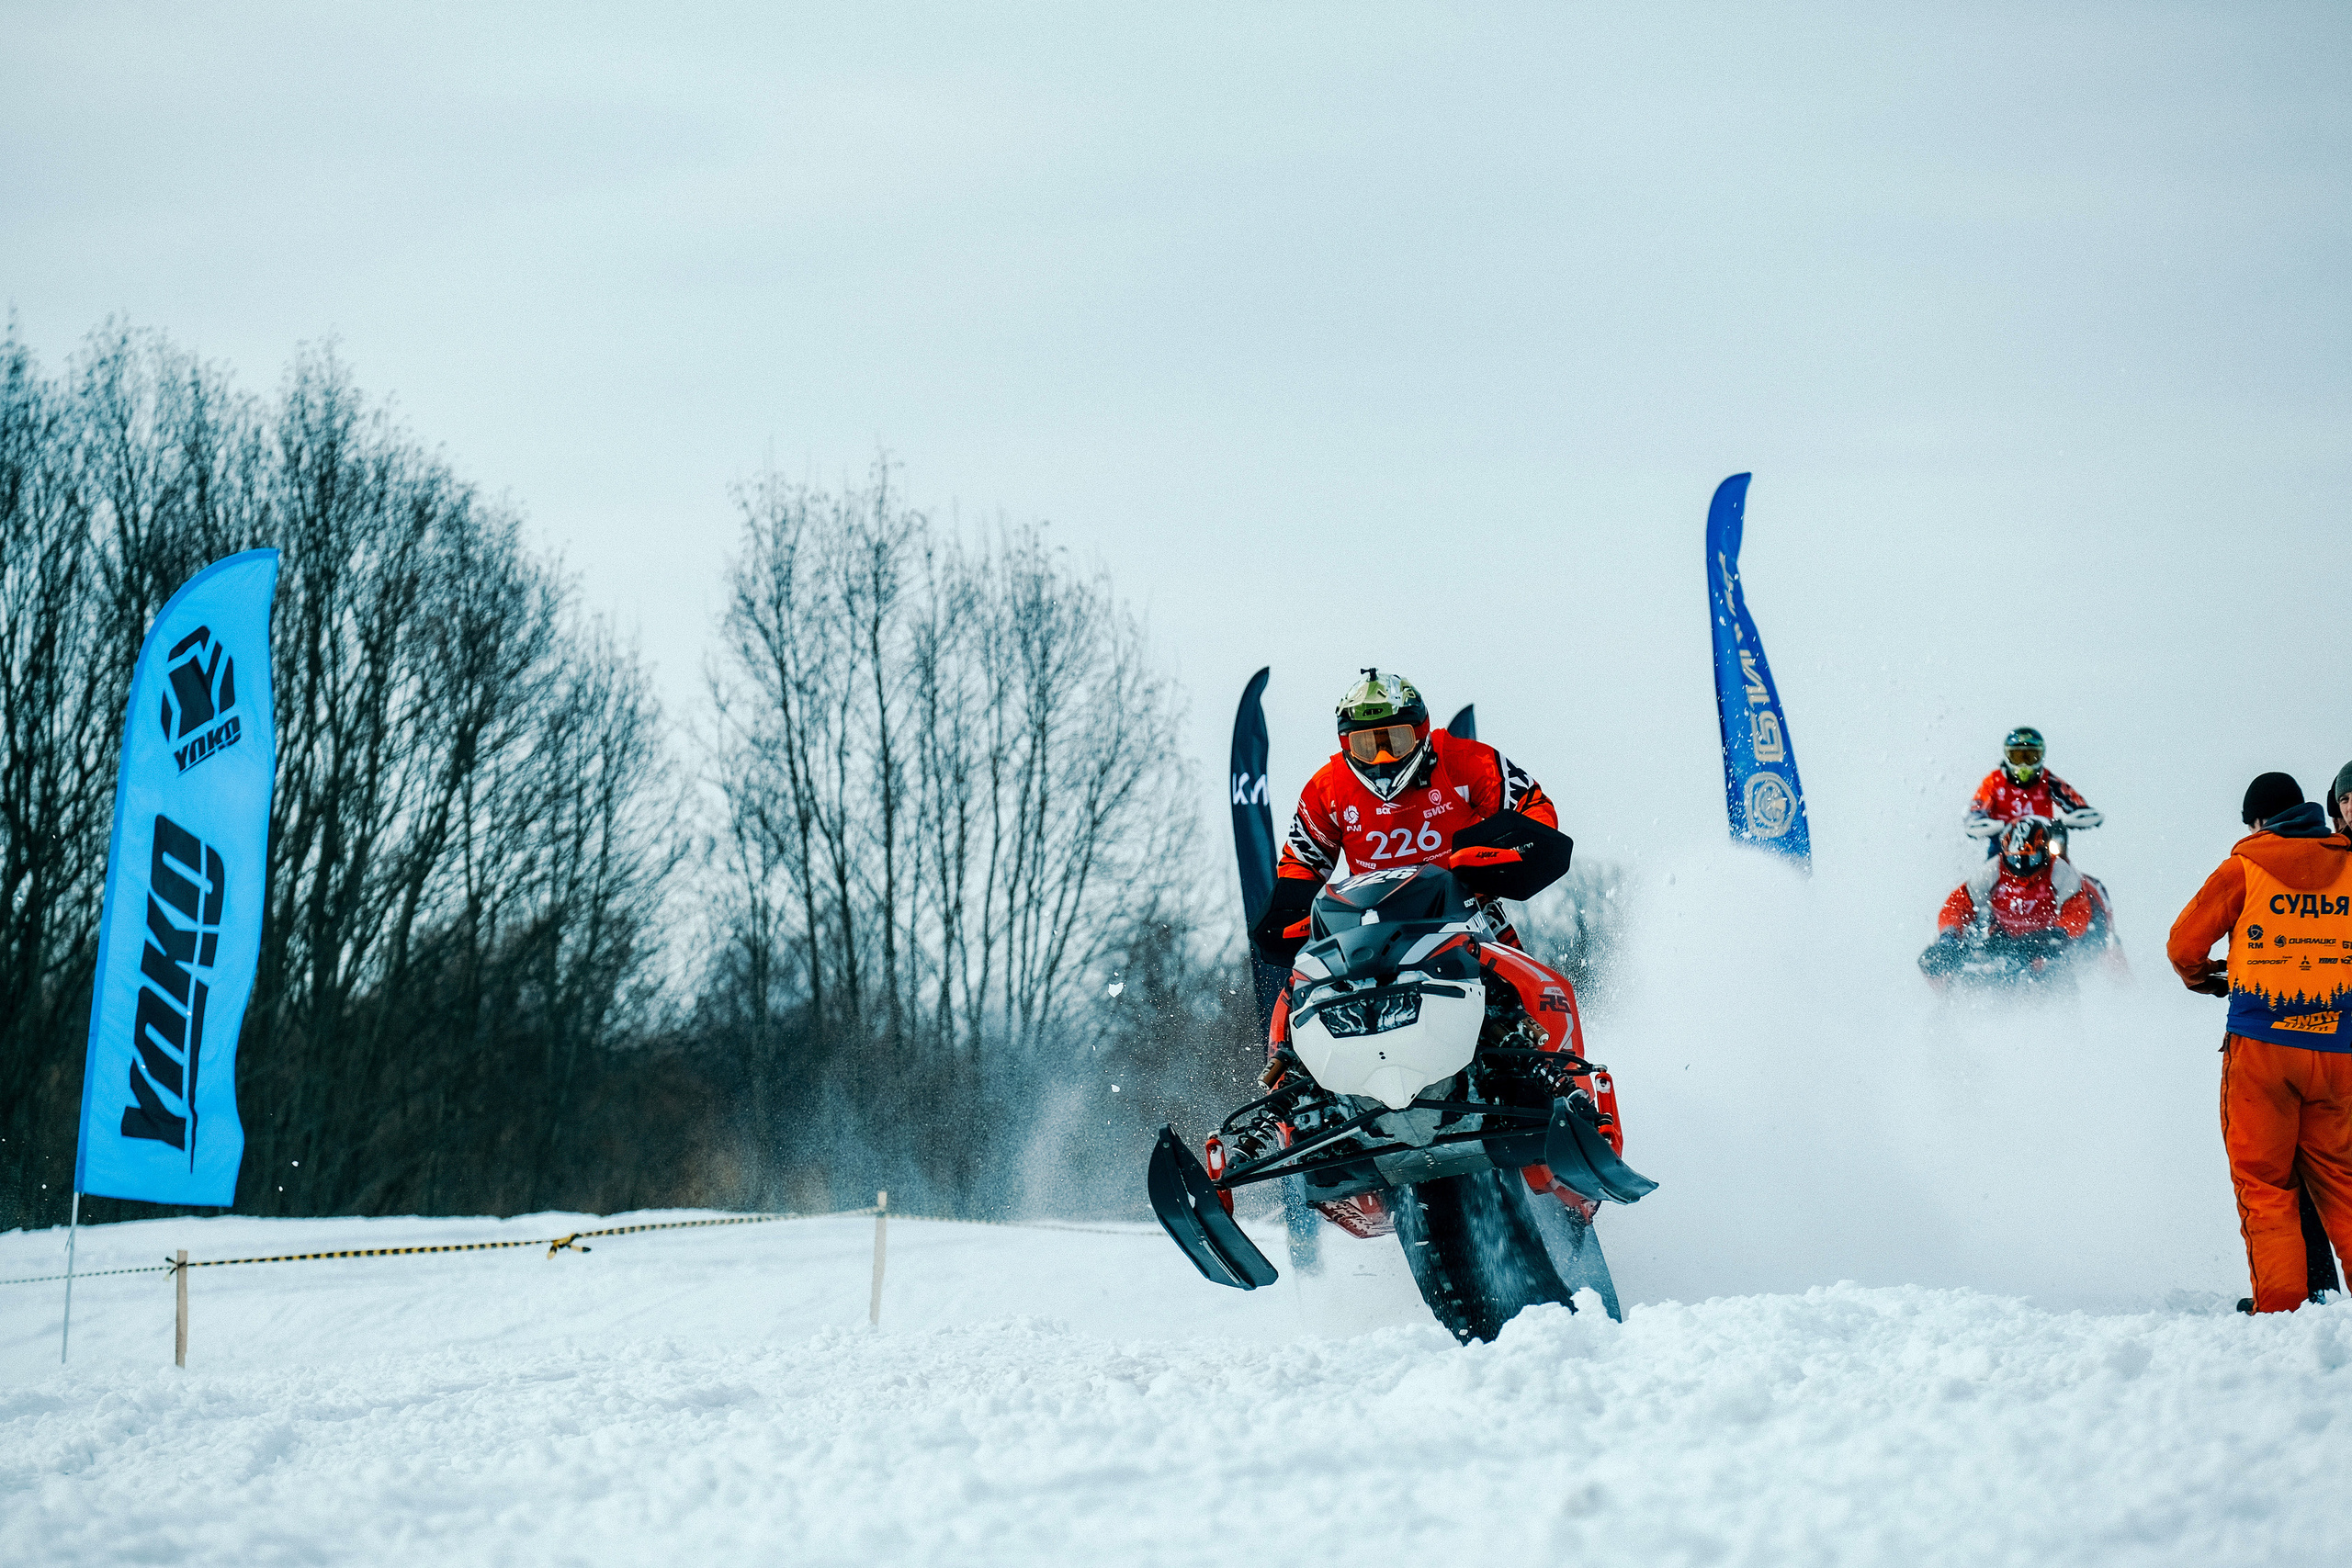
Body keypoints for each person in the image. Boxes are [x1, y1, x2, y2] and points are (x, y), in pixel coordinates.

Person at [2166, 771, 2352, 1314]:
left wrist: (2207, 979)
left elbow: (2183, 947)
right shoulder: (2348, 863)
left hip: (2261, 1050)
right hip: (2339, 1049)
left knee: (2265, 1184)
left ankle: (2282, 1309)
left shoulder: (2245, 866)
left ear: (2259, 822)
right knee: (2342, 1184)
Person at [1249, 669, 1556, 966]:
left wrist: (1514, 850)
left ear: (1419, 733)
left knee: (1518, 984)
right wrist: (1292, 912)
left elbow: (1530, 802)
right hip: (1369, 924)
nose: (1382, 757)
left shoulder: (1463, 761)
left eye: (1395, 740)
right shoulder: (1326, 790)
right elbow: (1302, 863)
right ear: (1348, 744)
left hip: (1467, 911)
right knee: (1303, 986)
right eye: (1367, 745)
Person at [1918, 816, 2096, 985]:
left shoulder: (2060, 872)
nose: (2022, 868)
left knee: (2054, 973)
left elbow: (2078, 911)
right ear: (2005, 854)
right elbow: (1958, 904)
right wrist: (1949, 936)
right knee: (1936, 962)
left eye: (2031, 859)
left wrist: (2060, 934)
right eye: (2015, 859)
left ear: (2045, 854)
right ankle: (1951, 1000)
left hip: (2045, 940)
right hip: (2003, 938)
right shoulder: (1993, 869)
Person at [1964, 727, 2100, 854]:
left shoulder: (2049, 781)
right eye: (2017, 758)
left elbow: (2076, 803)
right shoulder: (1994, 782)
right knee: (1988, 871)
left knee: (2065, 870)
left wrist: (2073, 818)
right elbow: (1975, 812)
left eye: (2030, 758)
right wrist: (1984, 824)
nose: (2023, 765)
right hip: (2003, 846)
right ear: (2007, 756)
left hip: (2045, 843)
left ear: (2041, 756)